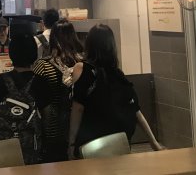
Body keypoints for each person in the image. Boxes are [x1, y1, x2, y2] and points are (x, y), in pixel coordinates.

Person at [68, 24, 163, 158]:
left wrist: (71, 143)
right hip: (119, 141)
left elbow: (78, 109)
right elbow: (136, 110)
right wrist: (154, 143)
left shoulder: (81, 68)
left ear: (89, 44)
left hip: (92, 143)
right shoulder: (118, 74)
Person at [0, 35, 50, 164]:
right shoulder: (41, 82)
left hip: (4, 148)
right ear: (34, 54)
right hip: (32, 149)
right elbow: (47, 118)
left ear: (11, 54)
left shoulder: (0, 80)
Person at [32, 18, 83, 163]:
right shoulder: (84, 64)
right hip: (80, 129)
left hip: (53, 131)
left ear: (53, 39)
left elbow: (35, 98)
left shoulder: (43, 66)